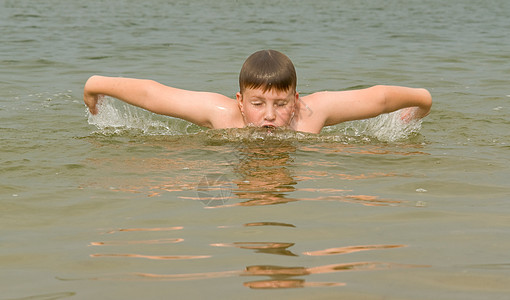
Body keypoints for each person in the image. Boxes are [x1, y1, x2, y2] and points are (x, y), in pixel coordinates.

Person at [83, 50, 431, 134]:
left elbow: (382, 97)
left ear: (296, 100)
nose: (268, 115)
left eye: (280, 104)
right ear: (240, 100)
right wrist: (96, 85)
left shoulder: (313, 113)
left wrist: (420, 105)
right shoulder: (221, 113)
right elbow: (152, 95)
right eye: (257, 103)